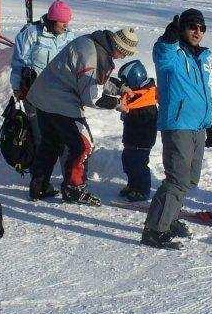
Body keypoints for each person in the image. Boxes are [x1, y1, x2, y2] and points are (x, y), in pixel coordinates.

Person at [26, 27, 139, 205]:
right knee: (83, 146)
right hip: (60, 101)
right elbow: (92, 97)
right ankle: (74, 189)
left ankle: (39, 186)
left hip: (41, 96)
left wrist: (118, 88)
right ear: (119, 48)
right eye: (124, 53)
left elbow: (95, 78)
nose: (123, 57)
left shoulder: (92, 41)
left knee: (50, 143)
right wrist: (117, 104)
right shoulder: (94, 56)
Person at [142, 9, 212, 250]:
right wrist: (169, 37)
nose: (197, 32)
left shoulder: (202, 58)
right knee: (177, 179)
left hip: (198, 125)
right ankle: (154, 230)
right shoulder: (172, 54)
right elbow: (161, 53)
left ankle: (171, 218)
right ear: (182, 29)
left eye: (201, 28)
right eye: (192, 27)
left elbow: (206, 93)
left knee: (189, 179)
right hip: (178, 125)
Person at [9, 0, 76, 146]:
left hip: (58, 92)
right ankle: (37, 163)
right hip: (34, 91)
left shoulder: (68, 36)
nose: (66, 25)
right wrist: (16, 87)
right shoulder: (32, 33)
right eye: (62, 21)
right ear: (52, 20)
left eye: (67, 21)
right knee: (39, 131)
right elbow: (18, 62)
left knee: (59, 131)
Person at [116, 59, 159, 202]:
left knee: (139, 165)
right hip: (131, 138)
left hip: (141, 140)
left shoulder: (146, 96)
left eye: (126, 81)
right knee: (128, 162)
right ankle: (133, 185)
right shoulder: (135, 94)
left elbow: (139, 114)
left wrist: (126, 110)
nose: (125, 85)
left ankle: (142, 190)